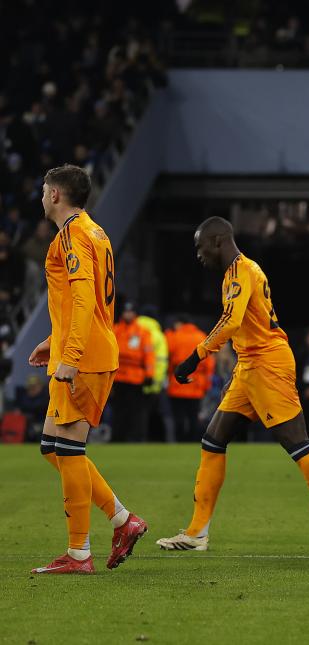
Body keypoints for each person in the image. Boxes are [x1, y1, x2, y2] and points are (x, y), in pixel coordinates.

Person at [155, 217, 309, 554]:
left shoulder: (240, 272)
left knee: (297, 444)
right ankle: (196, 532)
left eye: (200, 245)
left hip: (268, 365)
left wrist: (196, 356)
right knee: (212, 440)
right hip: (250, 364)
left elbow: (231, 321)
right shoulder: (243, 271)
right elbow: (245, 327)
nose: (198, 253)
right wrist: (236, 373)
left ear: (218, 241)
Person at [28, 164, 146, 574]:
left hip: (85, 358)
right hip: (83, 349)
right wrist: (53, 340)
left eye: (44, 190)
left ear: (56, 195)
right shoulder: (94, 230)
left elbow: (82, 299)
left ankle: (79, 553)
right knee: (52, 447)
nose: (41, 197)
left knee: (69, 450)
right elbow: (90, 301)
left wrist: (71, 355)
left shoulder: (73, 235)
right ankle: (121, 519)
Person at [110, 302, 154, 442]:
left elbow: (149, 354)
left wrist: (149, 374)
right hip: (118, 377)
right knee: (118, 410)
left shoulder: (142, 332)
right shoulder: (115, 330)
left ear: (135, 314)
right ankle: (117, 438)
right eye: (126, 312)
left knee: (136, 411)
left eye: (131, 312)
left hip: (136, 378)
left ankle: (137, 438)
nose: (128, 314)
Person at [165, 315, 213, 442]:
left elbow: (168, 359)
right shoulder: (202, 336)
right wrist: (207, 384)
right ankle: (193, 442)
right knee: (193, 417)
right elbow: (209, 364)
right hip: (197, 384)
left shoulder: (174, 336)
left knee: (178, 417)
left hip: (177, 384)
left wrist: (169, 376)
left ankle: (179, 441)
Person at [136, 304, 169, 441]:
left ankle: (133, 438)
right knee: (152, 413)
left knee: (134, 413)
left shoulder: (132, 330)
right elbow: (161, 361)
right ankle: (148, 438)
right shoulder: (158, 335)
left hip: (131, 379)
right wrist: (157, 383)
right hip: (152, 382)